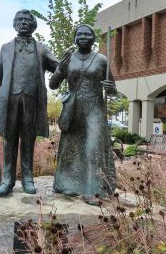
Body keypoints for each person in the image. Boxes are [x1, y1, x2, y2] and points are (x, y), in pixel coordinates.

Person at [0, 9, 58, 197]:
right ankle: (7, 181)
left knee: (28, 140)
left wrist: (72, 63)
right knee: (9, 140)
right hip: (9, 100)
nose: (24, 22)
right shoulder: (5, 48)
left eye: (28, 20)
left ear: (34, 25)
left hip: (32, 100)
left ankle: (28, 178)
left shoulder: (42, 48)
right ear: (14, 23)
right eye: (20, 20)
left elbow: (57, 66)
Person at [49, 24, 117, 203]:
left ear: (93, 38)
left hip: (94, 107)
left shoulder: (101, 59)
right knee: (71, 148)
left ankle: (95, 190)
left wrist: (111, 88)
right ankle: (68, 185)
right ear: (75, 38)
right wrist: (60, 69)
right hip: (73, 107)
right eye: (80, 34)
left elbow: (112, 91)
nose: (83, 36)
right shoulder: (68, 59)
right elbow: (53, 84)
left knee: (92, 148)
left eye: (87, 34)